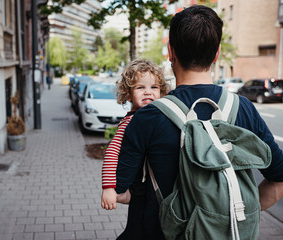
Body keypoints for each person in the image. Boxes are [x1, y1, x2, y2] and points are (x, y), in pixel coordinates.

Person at [115, 5, 283, 240]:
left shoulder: (145, 118)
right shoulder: (243, 108)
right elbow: (278, 180)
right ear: (217, 53)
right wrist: (226, 216)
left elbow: (120, 192)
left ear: (170, 51)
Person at [101, 59, 169, 239]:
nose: (148, 92)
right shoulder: (131, 121)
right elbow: (112, 152)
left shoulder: (157, 116)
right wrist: (109, 188)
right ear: (128, 94)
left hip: (147, 189)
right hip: (139, 190)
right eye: (140, 88)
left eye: (154, 87)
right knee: (136, 230)